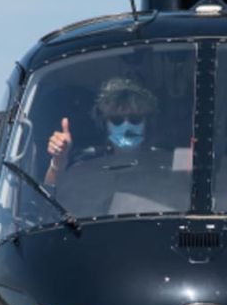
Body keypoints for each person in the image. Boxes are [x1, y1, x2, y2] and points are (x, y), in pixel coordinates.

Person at [42, 76, 187, 216]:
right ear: (104, 125)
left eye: (135, 119)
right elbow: (47, 205)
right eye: (117, 120)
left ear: (147, 123)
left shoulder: (171, 163)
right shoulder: (82, 169)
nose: (127, 126)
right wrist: (58, 161)